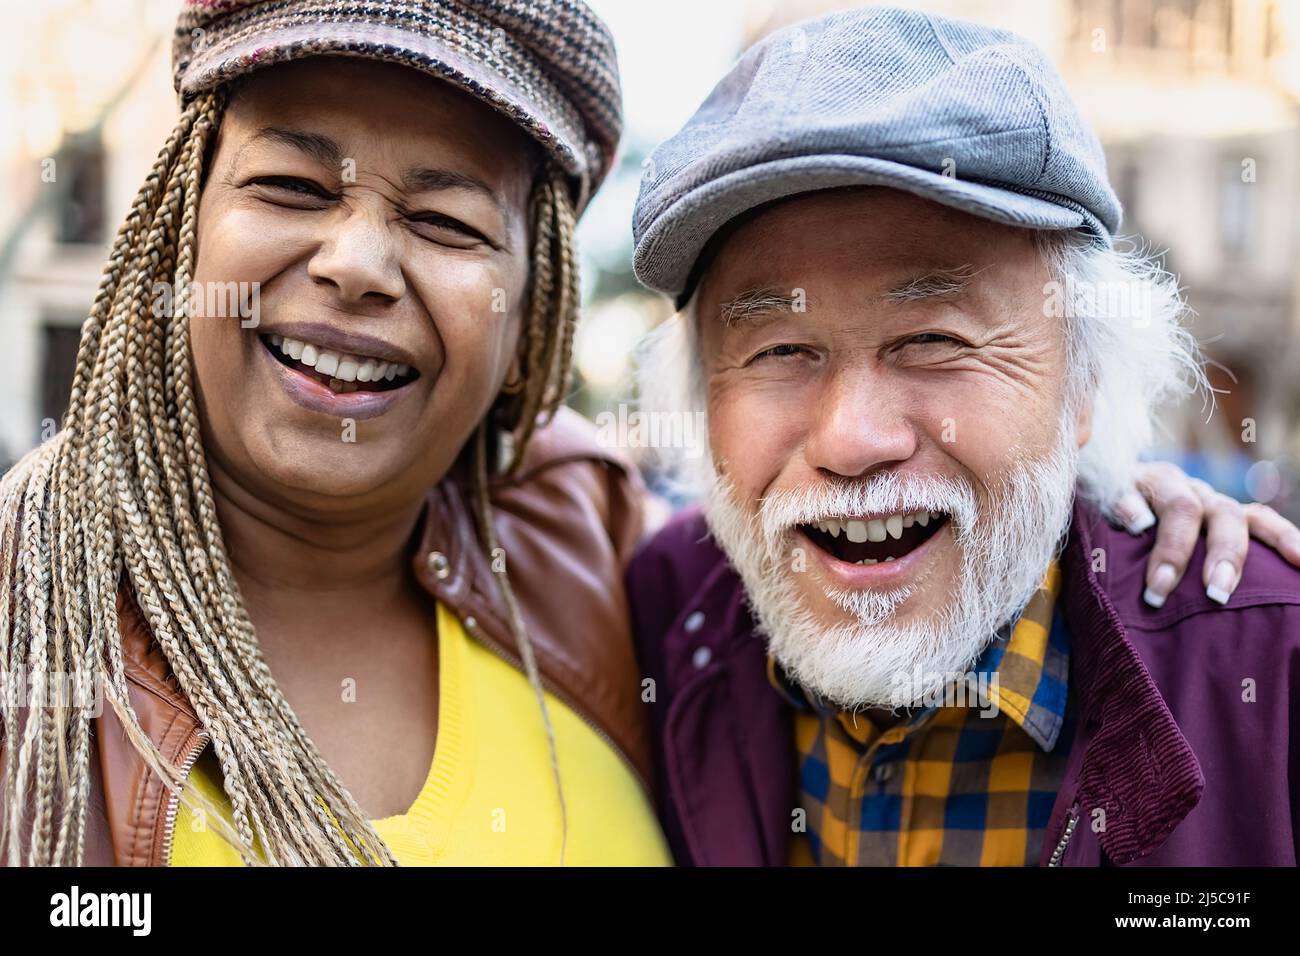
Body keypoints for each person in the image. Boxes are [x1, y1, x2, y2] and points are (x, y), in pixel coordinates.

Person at [0, 0, 667, 867]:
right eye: (292, 187)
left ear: (527, 328)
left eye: (447, 224)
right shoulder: (28, 603)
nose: (354, 265)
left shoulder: (597, 539)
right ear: (180, 237)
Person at [627, 8, 1300, 866]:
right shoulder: (660, 613)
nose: (850, 439)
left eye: (934, 342)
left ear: (1083, 382)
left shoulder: (1271, 672)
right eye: (781, 350)